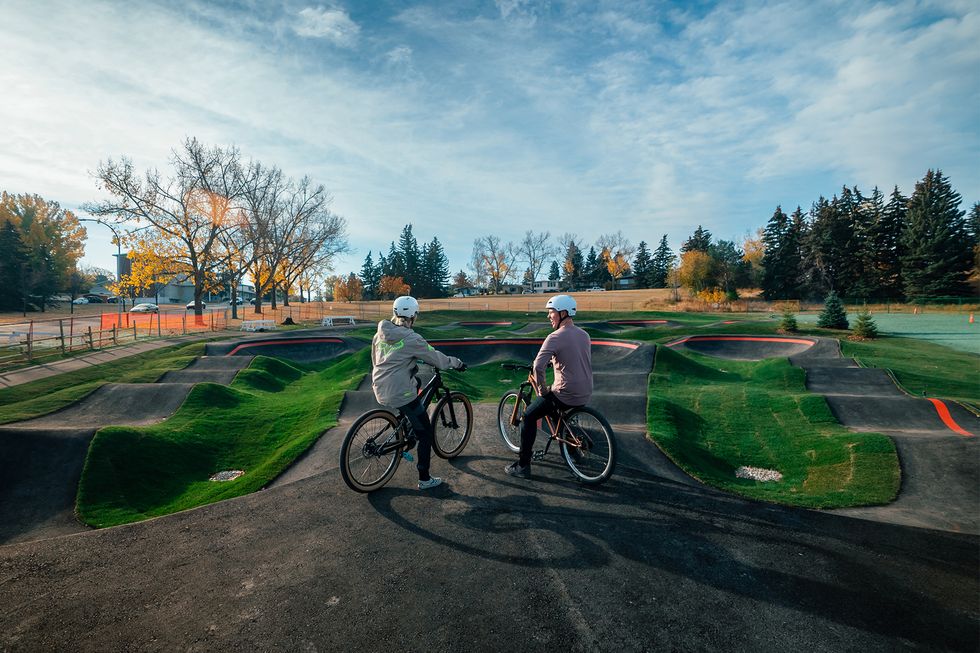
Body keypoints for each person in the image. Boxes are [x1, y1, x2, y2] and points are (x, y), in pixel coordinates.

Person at [371, 296, 465, 490]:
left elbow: (375, 358)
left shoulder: (380, 333)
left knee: (417, 383)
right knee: (426, 433)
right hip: (399, 391)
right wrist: (456, 363)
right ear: (414, 316)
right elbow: (436, 358)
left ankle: (406, 427)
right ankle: (424, 478)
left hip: (379, 385)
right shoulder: (412, 338)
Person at [505, 294, 592, 479]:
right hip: (585, 391)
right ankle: (572, 452)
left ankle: (522, 466)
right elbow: (573, 357)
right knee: (554, 412)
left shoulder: (555, 337)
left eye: (551, 312)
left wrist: (542, 389)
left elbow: (538, 366)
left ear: (562, 313)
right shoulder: (584, 335)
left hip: (565, 392)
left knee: (528, 416)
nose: (548, 316)